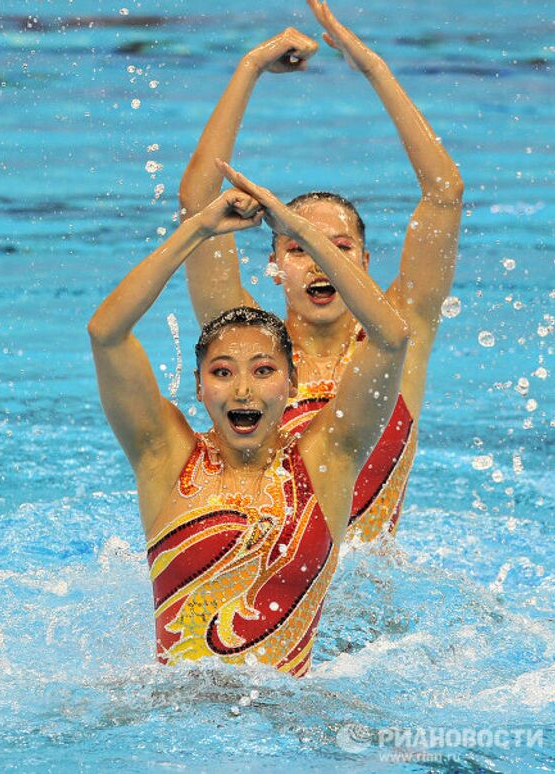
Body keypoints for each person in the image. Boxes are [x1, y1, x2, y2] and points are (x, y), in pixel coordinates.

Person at [88, 165, 409, 676]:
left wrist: (301, 234)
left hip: (291, 725)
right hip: (171, 723)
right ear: (199, 387)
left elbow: (392, 337)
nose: (242, 389)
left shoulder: (327, 463)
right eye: (222, 372)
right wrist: (196, 230)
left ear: (291, 385)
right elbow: (106, 333)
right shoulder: (165, 459)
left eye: (262, 371)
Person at [179, 0, 464, 543]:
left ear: (362, 262)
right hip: (265, 577)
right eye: (297, 247)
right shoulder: (251, 347)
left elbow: (444, 194)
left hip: (368, 589)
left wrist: (374, 68)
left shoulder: (400, 334)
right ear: (274, 267)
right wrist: (250, 67)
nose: (317, 261)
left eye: (337, 246)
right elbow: (198, 205)